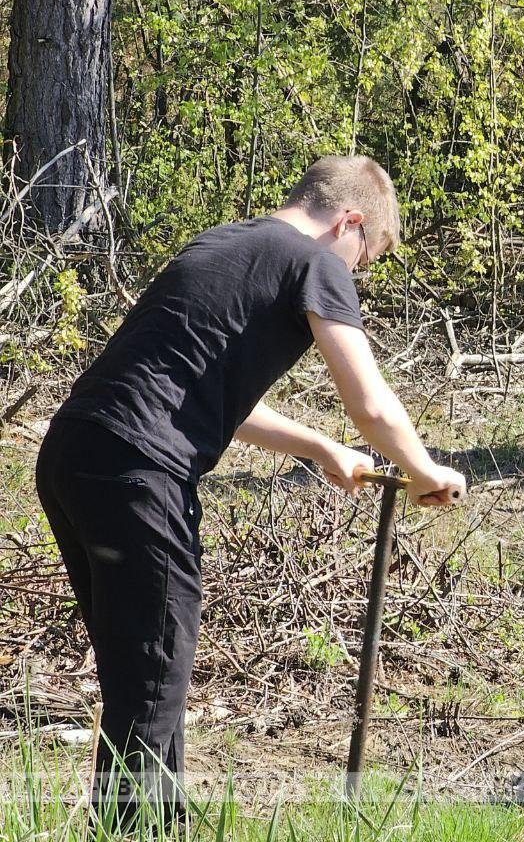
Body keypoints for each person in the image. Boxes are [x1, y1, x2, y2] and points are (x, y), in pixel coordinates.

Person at [35, 156, 468, 828]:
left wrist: (319, 448)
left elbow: (200, 393)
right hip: (137, 471)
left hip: (75, 453)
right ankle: (133, 830)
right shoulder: (314, 261)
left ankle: (160, 824)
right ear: (350, 222)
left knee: (143, 670)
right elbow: (372, 404)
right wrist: (423, 468)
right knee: (153, 674)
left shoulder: (224, 244)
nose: (356, 274)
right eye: (367, 256)